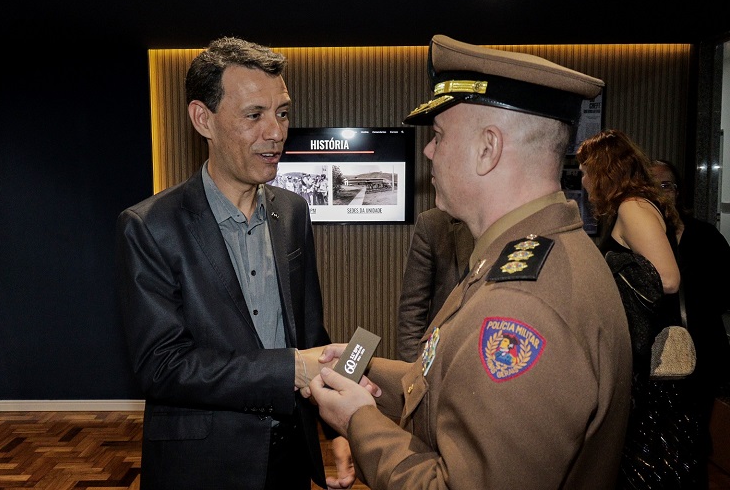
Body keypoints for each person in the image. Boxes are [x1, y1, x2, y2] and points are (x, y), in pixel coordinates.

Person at [307, 34, 633, 489]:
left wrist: (358, 421)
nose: (428, 151)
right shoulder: (522, 257)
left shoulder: (521, 308)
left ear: (488, 149)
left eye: (439, 136)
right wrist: (363, 368)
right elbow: (454, 385)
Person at [115, 36, 352, 490]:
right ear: (203, 119)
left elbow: (308, 333)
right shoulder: (149, 227)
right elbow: (162, 366)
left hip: (291, 456)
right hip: (203, 466)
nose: (276, 132)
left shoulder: (293, 212)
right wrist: (288, 369)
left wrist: (335, 425)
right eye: (254, 115)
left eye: (282, 113)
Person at [575, 130, 699, 489]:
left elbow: (668, 279)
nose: (583, 181)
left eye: (585, 171)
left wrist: (611, 272)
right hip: (647, 357)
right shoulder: (633, 206)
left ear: (604, 170)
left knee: (649, 461)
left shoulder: (633, 207)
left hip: (652, 360)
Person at [651, 158, 730, 487]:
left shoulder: (705, 235)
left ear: (678, 191)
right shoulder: (637, 239)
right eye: (652, 186)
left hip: (703, 350)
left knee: (696, 434)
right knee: (658, 436)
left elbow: (726, 291)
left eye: (666, 185)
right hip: (654, 356)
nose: (660, 193)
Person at [396, 208, 474, 362]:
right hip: (444, 360)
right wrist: (413, 370)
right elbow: (412, 310)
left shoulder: (521, 220)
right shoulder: (434, 223)